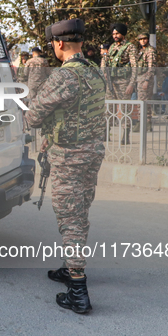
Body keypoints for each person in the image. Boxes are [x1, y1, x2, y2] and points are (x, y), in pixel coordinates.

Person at [26, 18, 106, 314]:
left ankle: (78, 289)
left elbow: (33, 116)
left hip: (70, 156)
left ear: (59, 44)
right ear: (80, 42)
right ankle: (69, 266)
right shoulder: (94, 72)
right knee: (80, 210)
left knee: (69, 218)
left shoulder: (63, 77)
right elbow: (82, 114)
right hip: (92, 153)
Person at [102, 23, 137, 144]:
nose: (115, 36)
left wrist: (131, 84)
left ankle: (125, 135)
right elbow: (106, 61)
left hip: (124, 82)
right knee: (108, 108)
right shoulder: (111, 47)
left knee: (125, 109)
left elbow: (134, 66)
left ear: (123, 34)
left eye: (117, 33)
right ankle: (107, 132)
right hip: (111, 82)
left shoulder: (130, 47)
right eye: (113, 34)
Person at [134, 33, 156, 131]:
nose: (143, 41)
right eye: (141, 39)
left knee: (145, 101)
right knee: (140, 101)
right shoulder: (140, 51)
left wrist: (147, 80)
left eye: (145, 39)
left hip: (146, 78)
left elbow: (151, 67)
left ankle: (147, 123)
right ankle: (141, 122)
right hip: (139, 77)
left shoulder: (150, 51)